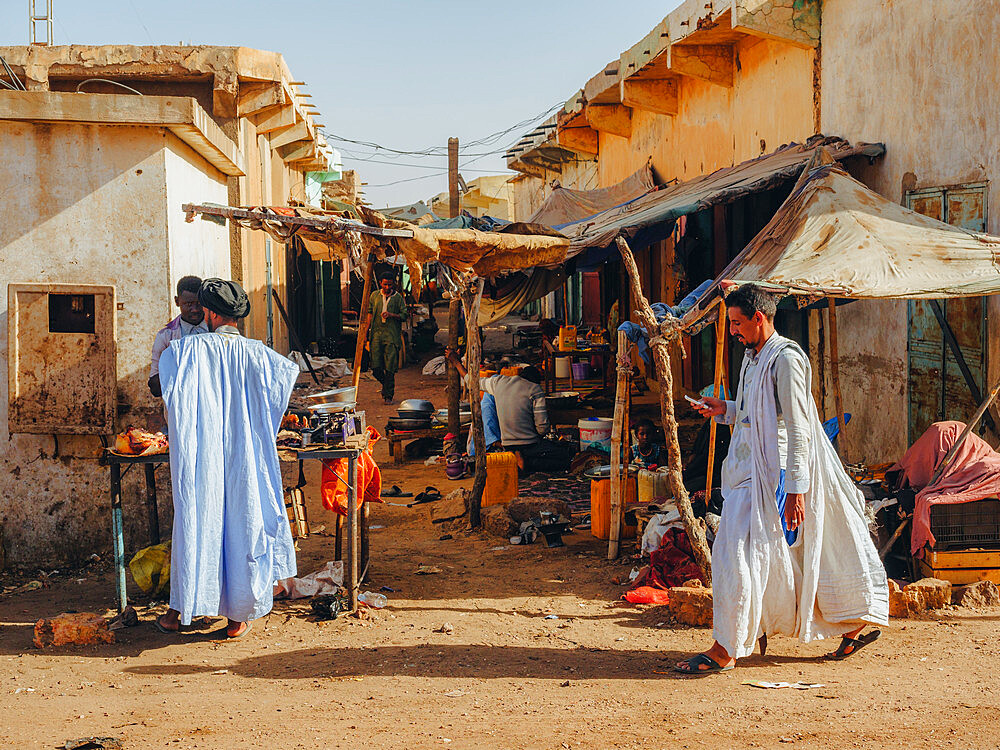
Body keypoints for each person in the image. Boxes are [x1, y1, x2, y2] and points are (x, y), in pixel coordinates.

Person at [675, 283, 888, 674]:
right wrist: (725, 409)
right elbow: (757, 412)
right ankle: (850, 622)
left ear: (760, 318)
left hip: (777, 474)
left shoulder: (786, 359)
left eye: (738, 323)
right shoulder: (752, 358)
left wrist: (796, 491)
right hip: (746, 471)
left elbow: (799, 427)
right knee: (769, 557)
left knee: (737, 553)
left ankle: (725, 648)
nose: (734, 331)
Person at [155, 279, 300, 639]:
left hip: (201, 455)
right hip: (247, 456)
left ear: (210, 312)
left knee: (197, 523)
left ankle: (181, 611)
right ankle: (238, 618)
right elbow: (283, 387)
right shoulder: (262, 355)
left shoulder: (184, 352)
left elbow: (164, 388)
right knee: (245, 523)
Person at [445, 351, 570, 473]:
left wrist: (456, 362)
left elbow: (470, 381)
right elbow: (542, 428)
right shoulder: (535, 389)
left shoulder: (498, 382)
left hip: (508, 445)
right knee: (565, 457)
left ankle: (517, 457)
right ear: (535, 381)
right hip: (529, 444)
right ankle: (526, 463)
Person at [148, 275, 208, 397]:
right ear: (177, 301)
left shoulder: (216, 331)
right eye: (189, 304)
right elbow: (155, 387)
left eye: (199, 304)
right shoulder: (165, 336)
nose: (195, 309)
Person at [366, 272, 407, 404]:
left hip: (392, 335)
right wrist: (365, 333)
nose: (387, 287)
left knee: (390, 367)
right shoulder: (374, 296)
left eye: (390, 284)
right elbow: (370, 314)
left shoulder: (398, 298)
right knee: (376, 366)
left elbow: (404, 315)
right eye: (385, 284)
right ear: (380, 283)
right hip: (376, 335)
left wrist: (392, 315)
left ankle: (388, 395)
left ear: (393, 284)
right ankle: (385, 385)